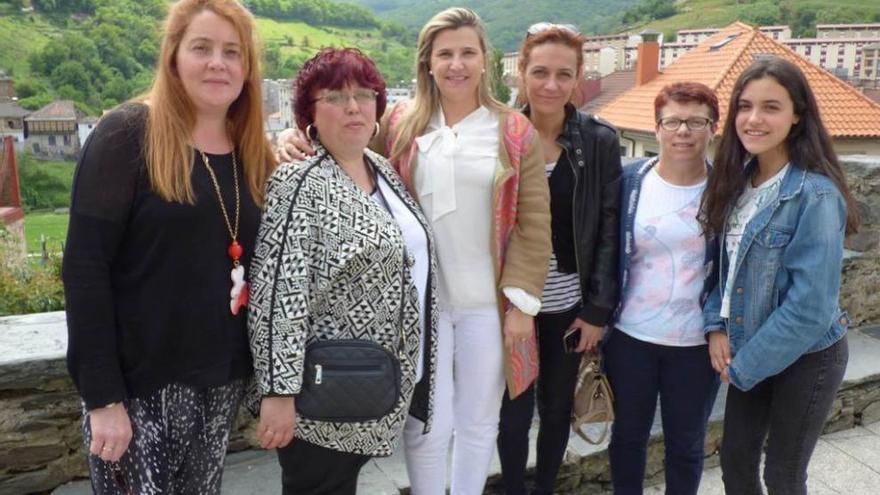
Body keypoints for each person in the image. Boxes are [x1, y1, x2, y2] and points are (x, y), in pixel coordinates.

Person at [278, 8, 551, 493]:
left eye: (468, 52)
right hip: (418, 305)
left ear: (484, 59)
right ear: (427, 62)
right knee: (426, 422)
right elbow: (346, 144)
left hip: (487, 304)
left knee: (478, 421)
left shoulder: (513, 132)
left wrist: (522, 304)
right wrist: (289, 138)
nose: (457, 64)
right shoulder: (402, 123)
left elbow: (533, 220)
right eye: (445, 54)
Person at [62, 0, 275, 493]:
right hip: (139, 389)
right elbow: (85, 269)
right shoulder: (128, 133)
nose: (217, 63)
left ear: (247, 68)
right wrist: (103, 400)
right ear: (174, 56)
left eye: (232, 52)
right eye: (201, 48)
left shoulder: (251, 149)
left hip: (219, 383)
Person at [247, 47, 438, 495]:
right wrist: (277, 393)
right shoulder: (299, 181)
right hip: (323, 394)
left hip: (373, 387)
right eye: (333, 96)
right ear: (308, 114)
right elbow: (278, 295)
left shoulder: (383, 171)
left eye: (363, 94)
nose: (352, 106)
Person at [700, 56, 858, 495]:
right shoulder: (739, 182)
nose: (753, 119)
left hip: (809, 356)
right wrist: (716, 326)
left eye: (771, 107)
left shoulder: (815, 194)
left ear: (797, 116)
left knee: (783, 475)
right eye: (745, 106)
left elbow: (810, 308)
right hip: (750, 343)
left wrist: (744, 367)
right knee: (735, 463)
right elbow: (727, 271)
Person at [494, 23, 621, 495]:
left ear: (578, 77)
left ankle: (543, 488)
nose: (551, 85)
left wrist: (596, 311)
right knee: (512, 412)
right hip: (511, 304)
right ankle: (512, 488)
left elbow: (609, 229)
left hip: (569, 306)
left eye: (563, 74)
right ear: (521, 73)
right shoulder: (499, 134)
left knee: (554, 411)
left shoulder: (600, 141)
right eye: (540, 72)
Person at [606, 82, 721, 495]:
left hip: (694, 343)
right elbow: (607, 250)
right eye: (672, 121)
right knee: (627, 437)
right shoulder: (630, 180)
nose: (683, 131)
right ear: (656, 129)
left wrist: (722, 327)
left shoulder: (728, 189)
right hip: (630, 338)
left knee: (686, 445)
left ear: (713, 128)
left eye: (696, 121)